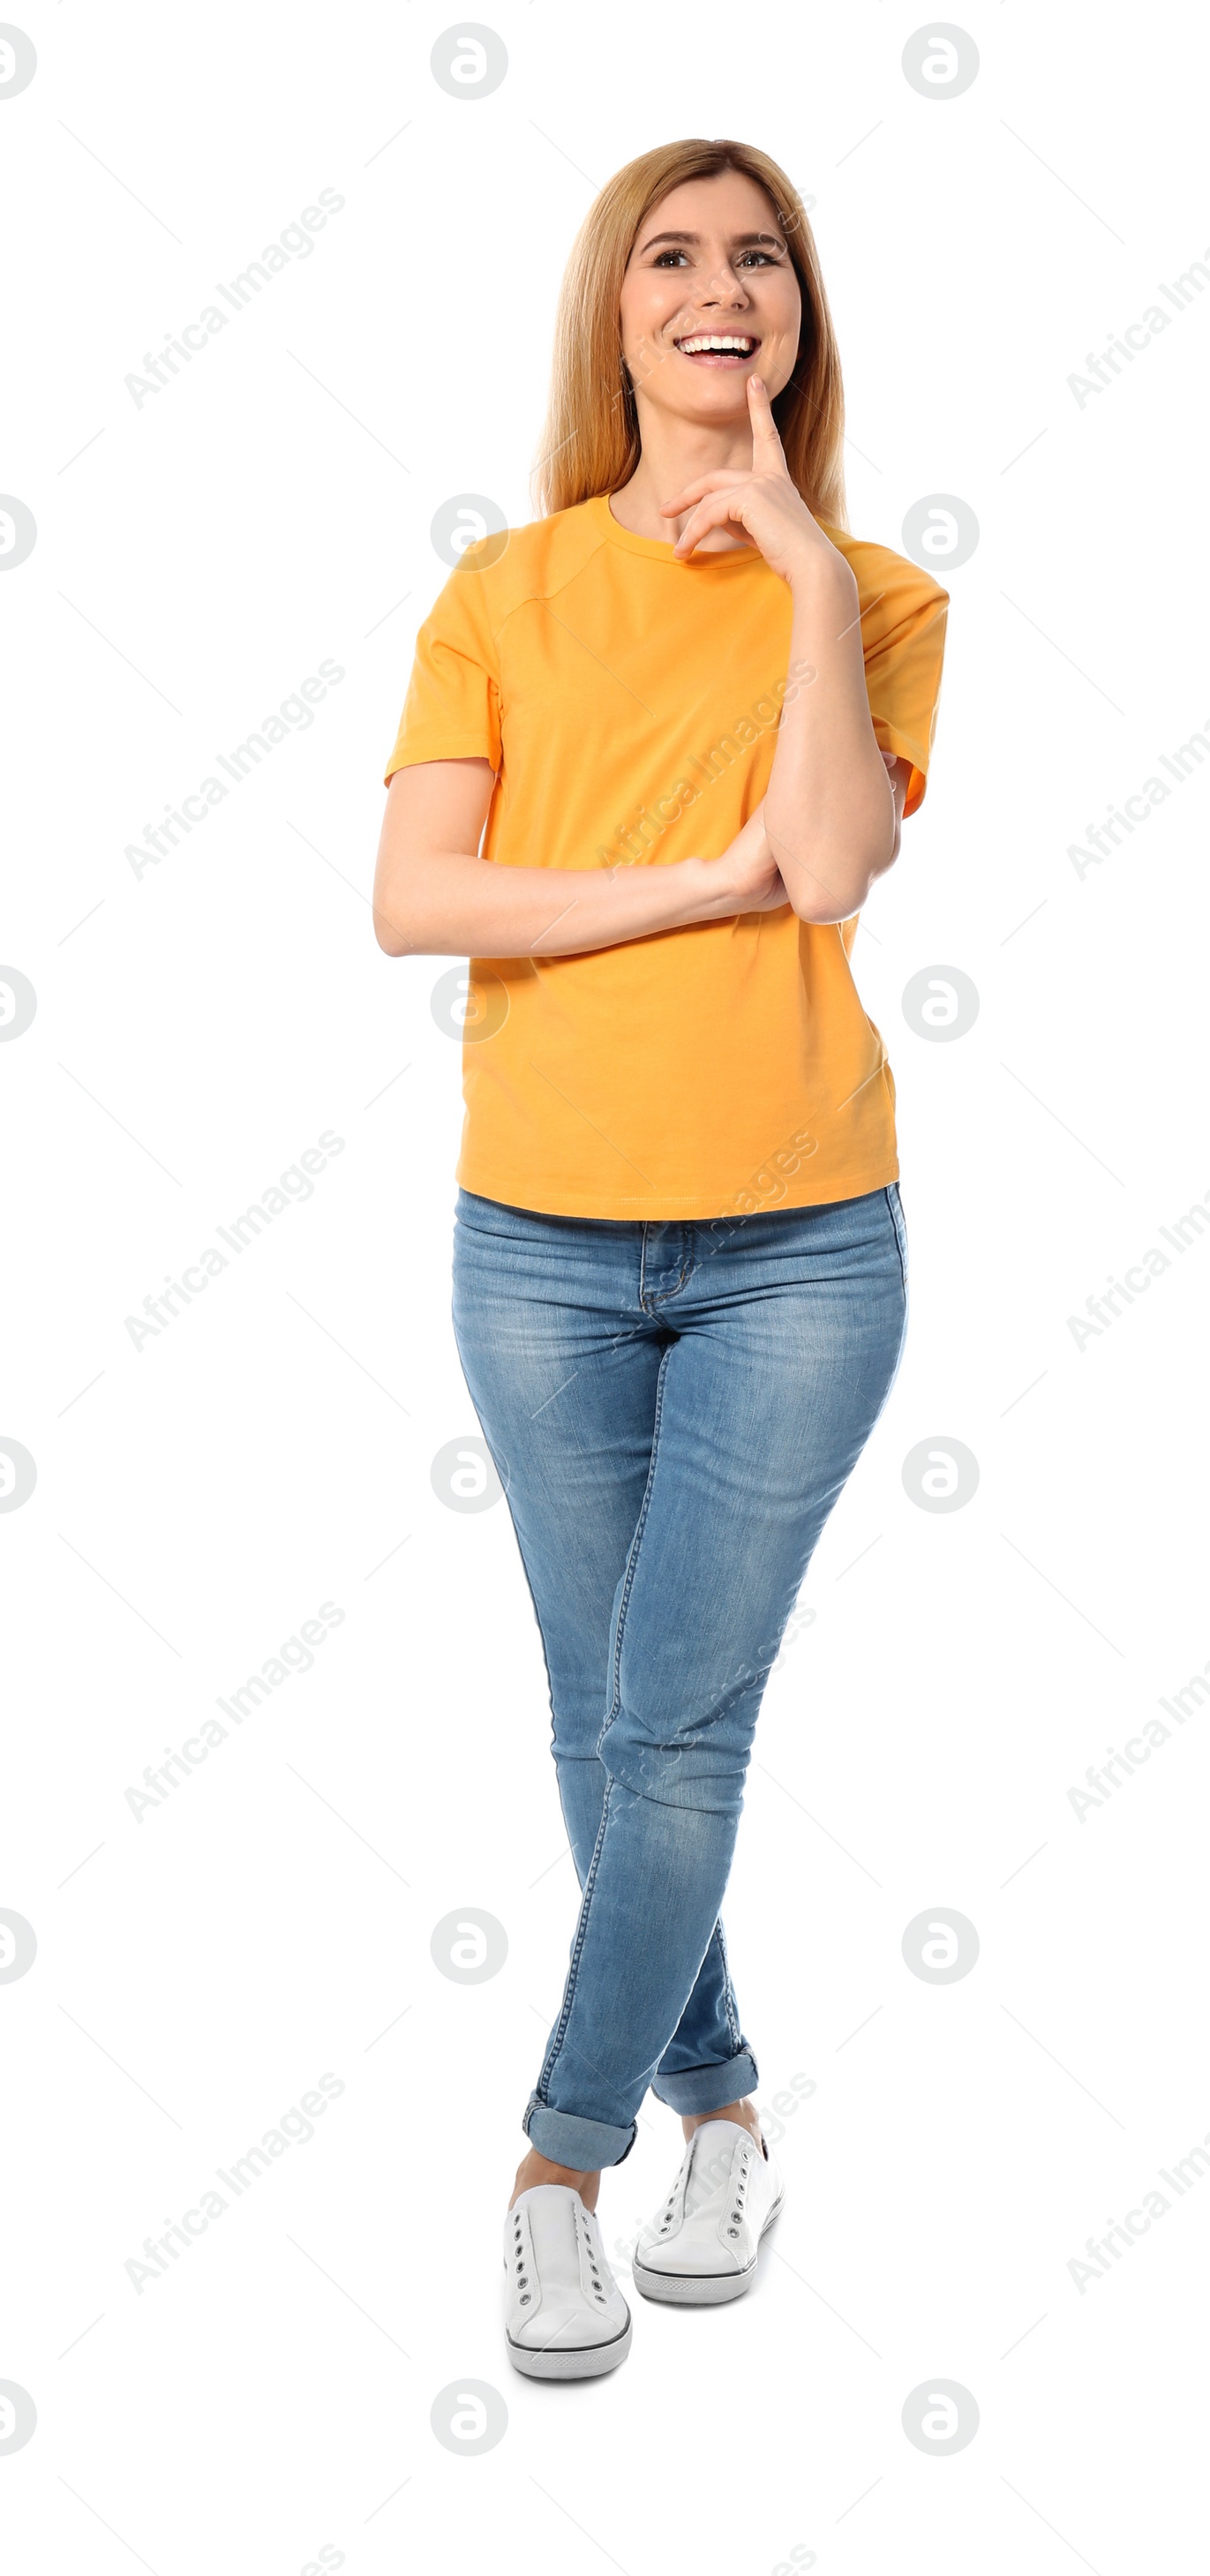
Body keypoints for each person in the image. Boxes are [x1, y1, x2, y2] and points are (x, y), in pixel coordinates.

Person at [373, 137, 947, 2380]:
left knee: (673, 1725)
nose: (720, 289)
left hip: (800, 1233)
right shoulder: (505, 589)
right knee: (604, 1720)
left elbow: (822, 862)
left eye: (760, 260)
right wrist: (670, 889)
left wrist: (799, 563)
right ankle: (724, 2105)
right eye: (672, 258)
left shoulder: (879, 594)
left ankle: (554, 2163)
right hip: (538, 1232)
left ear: (797, 315)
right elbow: (421, 901)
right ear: (612, 314)